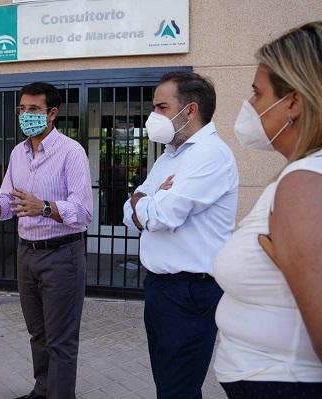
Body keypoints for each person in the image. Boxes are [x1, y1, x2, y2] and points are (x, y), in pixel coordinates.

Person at [0, 82, 92, 399]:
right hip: (27, 254)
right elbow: (7, 205)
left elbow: (83, 212)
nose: (25, 115)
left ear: (52, 113)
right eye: (22, 109)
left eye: (33, 110)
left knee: (61, 340)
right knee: (38, 334)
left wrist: (43, 207)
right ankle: (42, 390)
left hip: (62, 256)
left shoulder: (71, 153)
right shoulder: (18, 153)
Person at [213, 21, 322, 398]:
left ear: (292, 101)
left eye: (257, 93)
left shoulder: (305, 182)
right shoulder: (298, 176)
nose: (251, 106)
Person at [122, 72, 239, 398]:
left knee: (178, 389)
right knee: (170, 384)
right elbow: (129, 214)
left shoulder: (209, 155)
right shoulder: (170, 156)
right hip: (162, 288)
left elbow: (161, 215)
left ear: (189, 110)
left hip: (191, 291)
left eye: (161, 107)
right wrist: (146, 203)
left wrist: (144, 203)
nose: (153, 116)